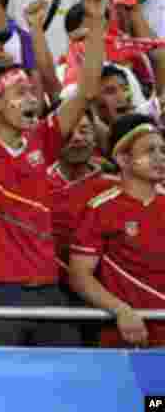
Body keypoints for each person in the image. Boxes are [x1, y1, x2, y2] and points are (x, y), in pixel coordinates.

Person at [0, 0, 107, 346]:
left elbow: (85, 91)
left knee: (64, 392)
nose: (31, 100)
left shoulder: (43, 138)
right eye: (19, 93)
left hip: (48, 289)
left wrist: (98, 24)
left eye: (31, 93)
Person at [69, 114, 165, 348]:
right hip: (126, 338)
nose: (160, 157)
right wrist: (120, 310)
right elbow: (79, 275)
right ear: (123, 159)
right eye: (149, 151)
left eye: (162, 150)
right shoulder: (100, 209)